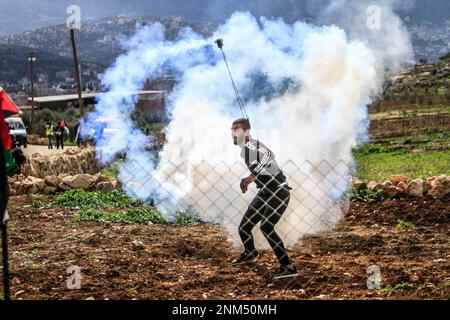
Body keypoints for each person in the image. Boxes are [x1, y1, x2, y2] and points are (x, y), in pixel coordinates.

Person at [231, 118, 298, 280]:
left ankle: (287, 266)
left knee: (266, 227)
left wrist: (250, 177)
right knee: (244, 227)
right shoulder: (245, 149)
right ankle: (250, 252)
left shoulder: (251, 145)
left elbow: (268, 156)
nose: (233, 132)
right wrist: (252, 177)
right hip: (265, 192)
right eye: (232, 129)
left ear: (246, 132)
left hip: (278, 191)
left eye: (237, 129)